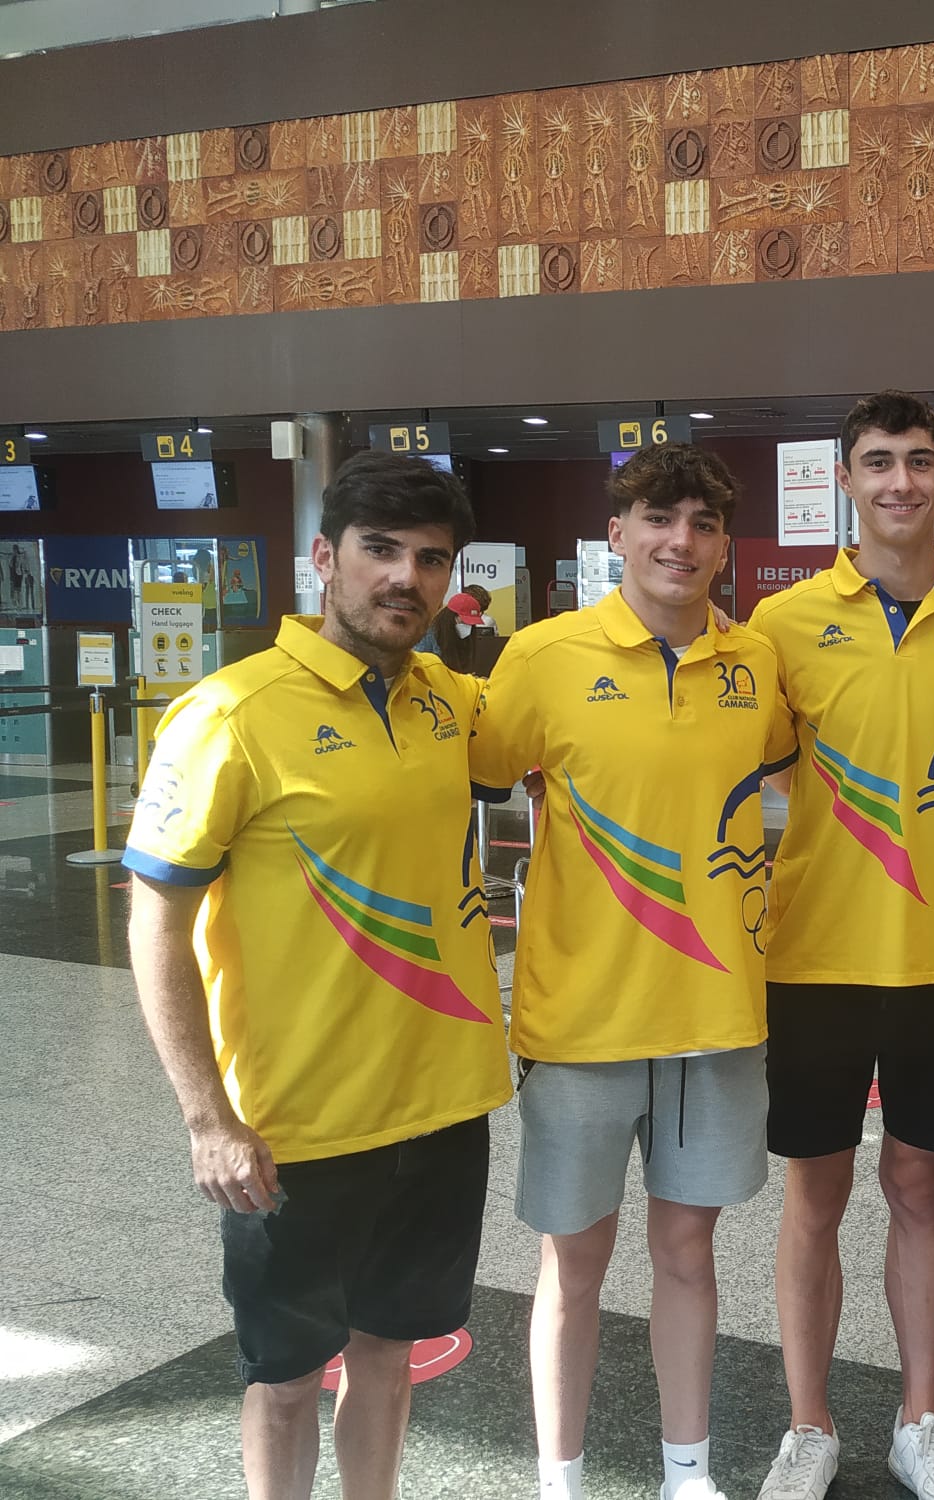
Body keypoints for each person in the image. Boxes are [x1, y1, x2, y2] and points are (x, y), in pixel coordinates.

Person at [123, 452, 511, 1500]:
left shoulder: (448, 705)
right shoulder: (230, 713)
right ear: (322, 559)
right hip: (294, 1127)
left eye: (431, 560)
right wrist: (207, 1116)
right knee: (287, 1377)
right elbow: (154, 915)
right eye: (379, 551)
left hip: (441, 1107)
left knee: (389, 1356)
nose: (406, 579)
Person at [472, 442, 796, 1500]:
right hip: (579, 1024)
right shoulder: (543, 655)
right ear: (616, 533)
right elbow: (466, 780)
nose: (681, 542)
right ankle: (558, 1477)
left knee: (689, 1255)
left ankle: (686, 1473)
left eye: (703, 524)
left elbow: (782, 767)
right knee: (572, 1266)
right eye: (659, 519)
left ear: (723, 543)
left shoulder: (754, 666)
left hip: (716, 1018)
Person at [747, 391, 934, 1500]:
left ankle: (920, 1417)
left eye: (919, 461)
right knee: (813, 1195)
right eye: (878, 463)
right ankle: (808, 1426)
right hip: (813, 957)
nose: (900, 482)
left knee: (921, 1188)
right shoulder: (784, 624)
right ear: (847, 480)